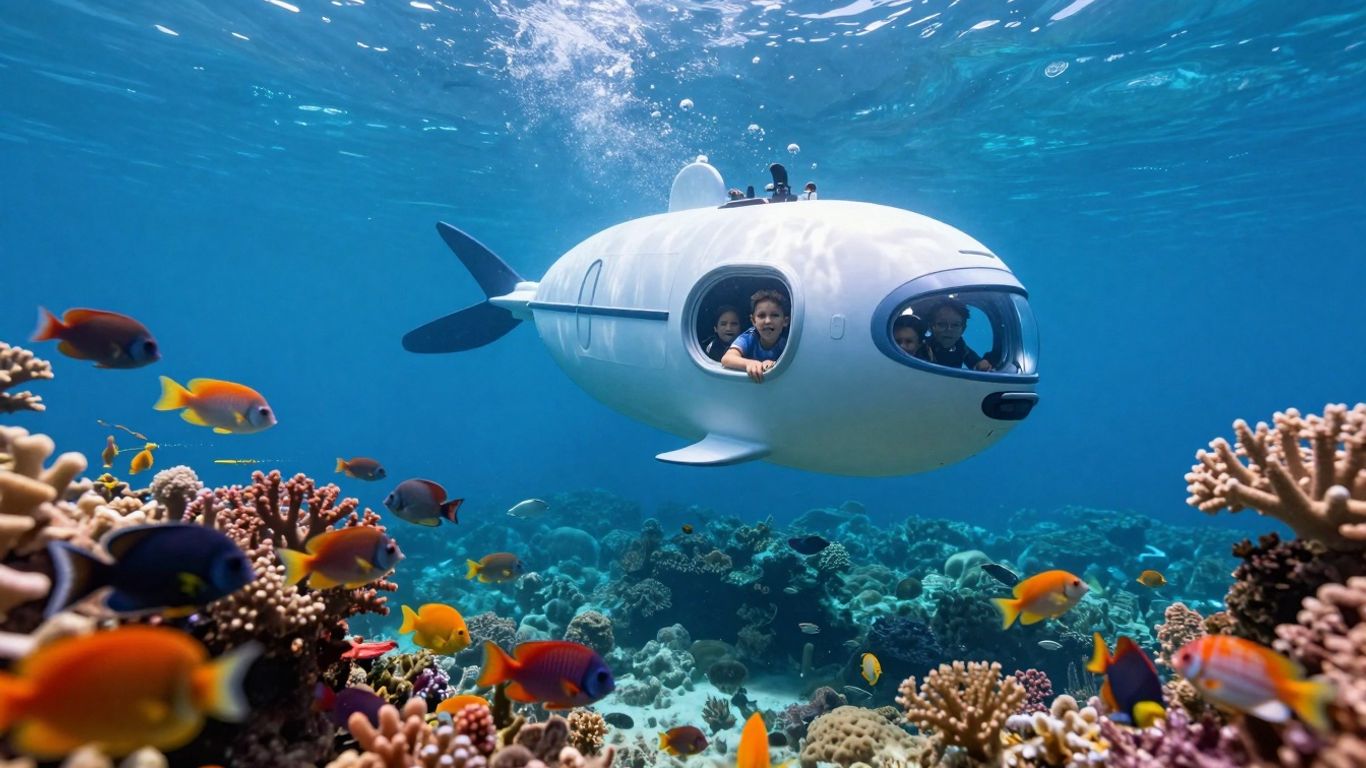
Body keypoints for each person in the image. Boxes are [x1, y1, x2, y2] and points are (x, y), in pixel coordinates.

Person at [722, 289, 790, 383]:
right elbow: (727, 359)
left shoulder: (789, 341)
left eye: (774, 315)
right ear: (753, 321)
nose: (767, 321)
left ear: (785, 321)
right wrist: (750, 363)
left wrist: (774, 365)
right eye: (762, 316)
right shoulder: (750, 337)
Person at [917, 298, 992, 371]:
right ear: (931, 327)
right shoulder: (923, 347)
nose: (949, 329)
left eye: (955, 325)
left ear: (963, 329)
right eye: (942, 324)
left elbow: (974, 361)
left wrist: (981, 365)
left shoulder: (960, 345)